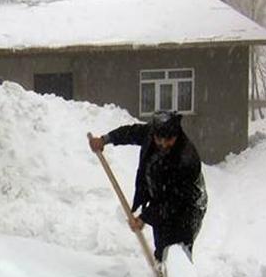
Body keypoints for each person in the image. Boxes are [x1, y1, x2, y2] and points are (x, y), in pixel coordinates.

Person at [88, 111, 207, 264]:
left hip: (188, 206)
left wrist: (144, 218)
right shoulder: (150, 135)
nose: (163, 144)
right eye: (159, 139)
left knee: (176, 249)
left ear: (176, 135)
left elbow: (173, 201)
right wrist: (105, 140)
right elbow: (130, 133)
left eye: (169, 139)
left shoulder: (187, 159)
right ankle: (162, 276)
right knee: (162, 245)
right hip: (161, 197)